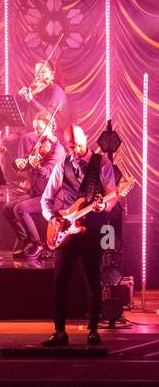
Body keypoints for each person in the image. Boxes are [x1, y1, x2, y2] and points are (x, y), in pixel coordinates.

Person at [40, 126, 116, 347]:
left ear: (86, 139)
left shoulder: (101, 163)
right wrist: (52, 218)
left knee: (92, 280)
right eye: (71, 147)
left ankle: (92, 329)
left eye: (79, 145)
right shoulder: (61, 166)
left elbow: (112, 196)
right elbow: (46, 199)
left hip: (91, 228)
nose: (75, 150)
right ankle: (59, 331)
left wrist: (103, 206)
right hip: (65, 229)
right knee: (60, 281)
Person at [3, 111, 64, 263]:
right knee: (7, 208)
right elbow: (24, 164)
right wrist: (18, 163)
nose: (36, 132)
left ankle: (38, 244)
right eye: (35, 128)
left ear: (50, 127)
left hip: (52, 197)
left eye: (40, 129)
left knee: (20, 208)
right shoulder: (39, 145)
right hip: (37, 192)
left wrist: (36, 165)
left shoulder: (58, 150)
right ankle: (27, 242)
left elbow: (45, 173)